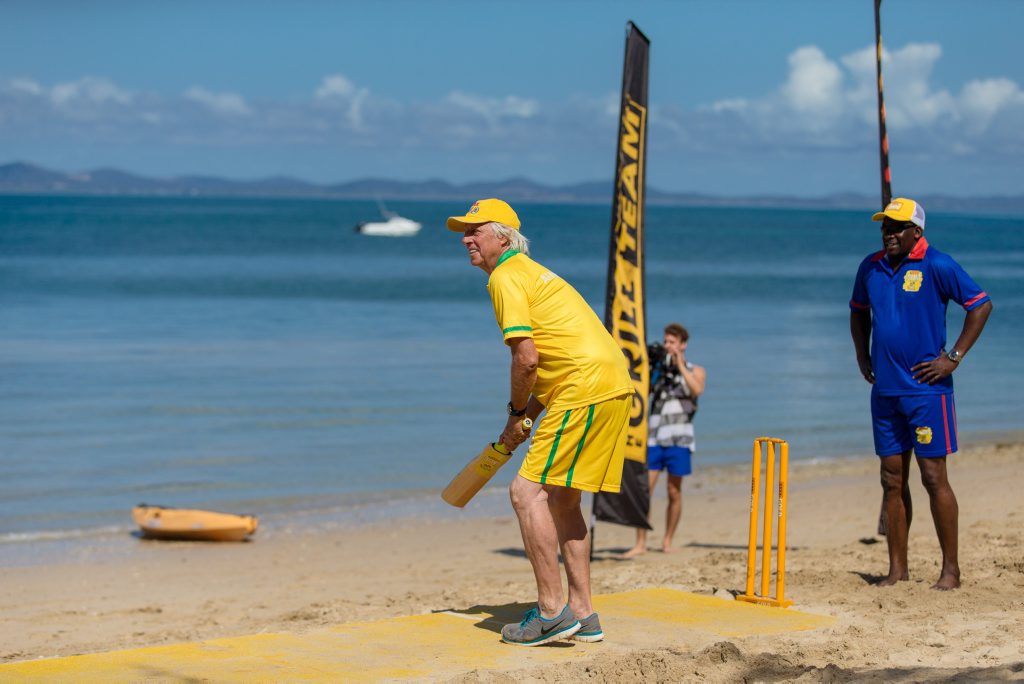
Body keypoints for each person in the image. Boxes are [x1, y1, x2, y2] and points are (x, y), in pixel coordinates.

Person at [447, 198, 634, 646]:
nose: (466, 239)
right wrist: (522, 420)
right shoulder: (533, 273)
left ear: (504, 238)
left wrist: (514, 413)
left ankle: (551, 611)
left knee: (525, 492)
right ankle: (583, 613)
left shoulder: (506, 277)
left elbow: (526, 358)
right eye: (463, 232)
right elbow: (553, 362)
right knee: (563, 501)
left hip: (582, 390)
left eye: (476, 230)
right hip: (609, 385)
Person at [849, 197, 992, 590]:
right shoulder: (871, 266)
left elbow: (980, 306)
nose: (889, 233)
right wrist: (862, 354)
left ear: (917, 231)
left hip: (928, 393)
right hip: (886, 392)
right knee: (891, 479)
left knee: (933, 477)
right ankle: (897, 570)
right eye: (885, 226)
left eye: (897, 227)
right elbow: (858, 311)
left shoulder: (938, 264)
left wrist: (953, 357)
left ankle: (951, 571)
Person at [623, 323, 706, 557]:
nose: (668, 345)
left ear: (682, 344)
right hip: (654, 439)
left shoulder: (695, 369)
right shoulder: (657, 371)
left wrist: (679, 363)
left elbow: (696, 390)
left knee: (674, 492)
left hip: (680, 439)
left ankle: (667, 541)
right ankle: (640, 542)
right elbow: (640, 390)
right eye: (666, 341)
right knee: (644, 491)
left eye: (672, 342)